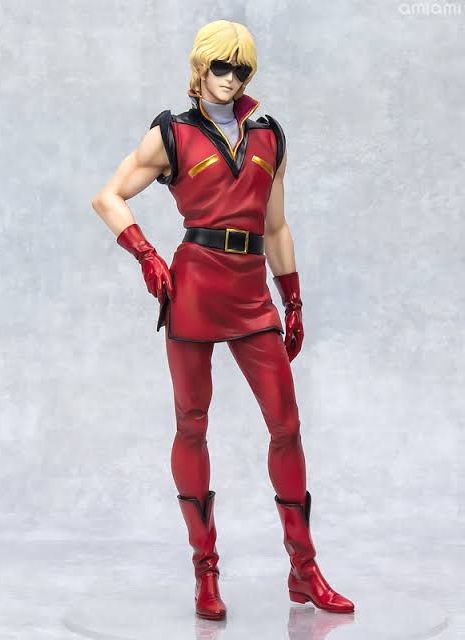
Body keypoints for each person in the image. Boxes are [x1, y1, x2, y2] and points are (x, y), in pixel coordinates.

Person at [92, 19, 354, 621]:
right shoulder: (173, 133)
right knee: (192, 424)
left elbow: (276, 226)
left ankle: (304, 569)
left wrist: (292, 298)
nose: (231, 78)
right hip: (195, 287)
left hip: (251, 289)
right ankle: (205, 572)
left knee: (286, 425)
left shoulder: (269, 135)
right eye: (220, 66)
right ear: (200, 67)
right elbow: (108, 196)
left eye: (242, 68)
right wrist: (146, 253)